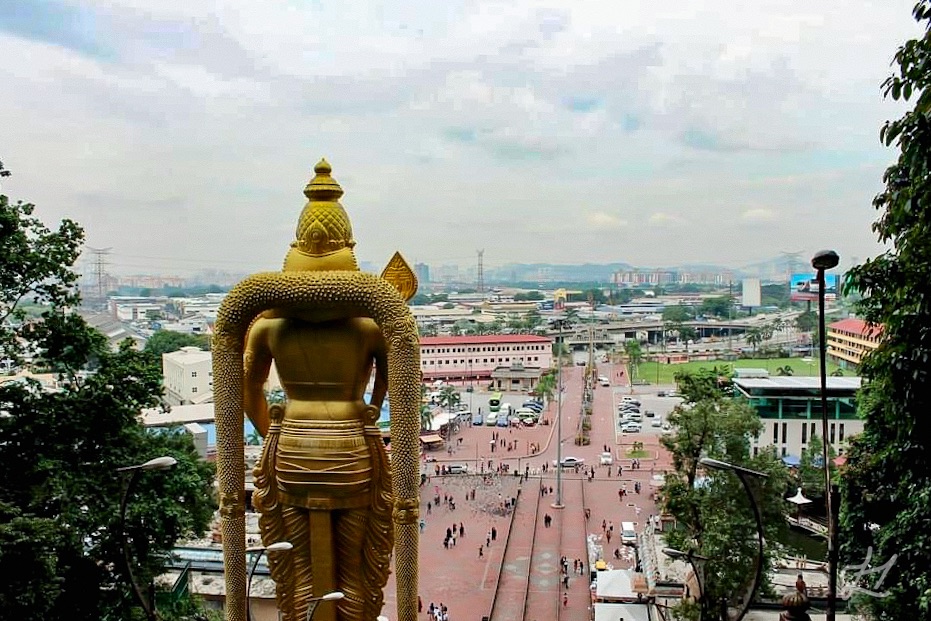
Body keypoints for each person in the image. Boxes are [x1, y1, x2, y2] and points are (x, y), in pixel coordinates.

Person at [244, 161, 408, 621]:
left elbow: (246, 388)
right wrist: (371, 408)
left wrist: (268, 432)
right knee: (356, 568)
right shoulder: (370, 324)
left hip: (292, 446)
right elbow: (393, 380)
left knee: (297, 566)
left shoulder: (268, 326)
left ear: (296, 249)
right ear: (348, 248)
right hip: (352, 446)